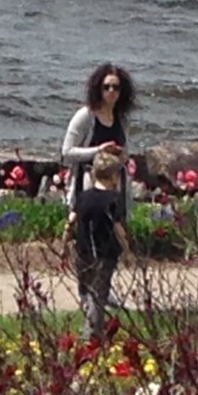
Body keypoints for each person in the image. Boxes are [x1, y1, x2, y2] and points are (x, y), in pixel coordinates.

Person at [61, 63, 136, 308]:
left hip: (114, 186)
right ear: (98, 88)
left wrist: (122, 156)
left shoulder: (120, 119)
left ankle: (103, 288)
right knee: (85, 240)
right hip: (87, 186)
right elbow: (67, 152)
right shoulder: (86, 116)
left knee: (110, 237)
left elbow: (127, 151)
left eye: (116, 87)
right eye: (107, 87)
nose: (112, 92)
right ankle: (86, 292)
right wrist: (98, 151)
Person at [60, 150, 134, 341]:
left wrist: (63, 245)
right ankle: (92, 335)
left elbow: (71, 221)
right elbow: (118, 229)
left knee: (85, 290)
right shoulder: (113, 200)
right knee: (99, 295)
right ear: (113, 176)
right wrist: (127, 251)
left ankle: (89, 325)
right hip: (105, 254)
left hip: (82, 251)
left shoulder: (83, 197)